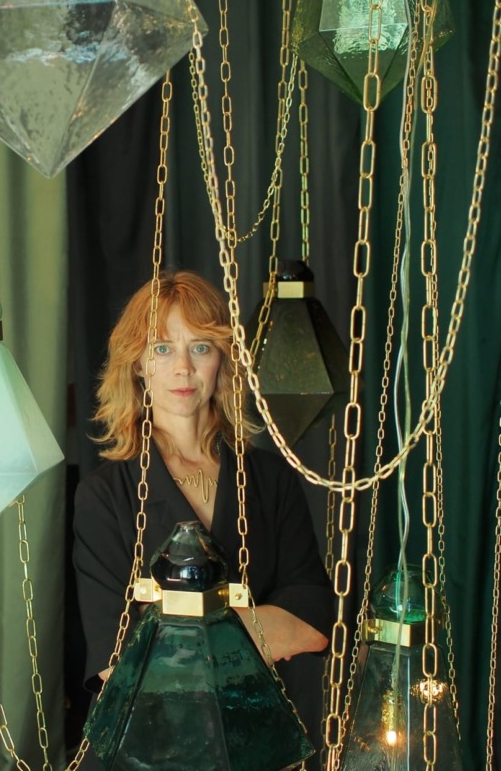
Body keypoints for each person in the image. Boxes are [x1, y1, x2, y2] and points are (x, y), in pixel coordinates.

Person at [72, 270, 334, 764]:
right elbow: (117, 667)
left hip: (257, 747)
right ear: (137, 365)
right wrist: (253, 634)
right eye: (162, 348)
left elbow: (313, 620)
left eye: (200, 348)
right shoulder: (104, 496)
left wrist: (178, 639)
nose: (183, 370)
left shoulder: (271, 477)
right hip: (148, 754)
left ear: (222, 361)